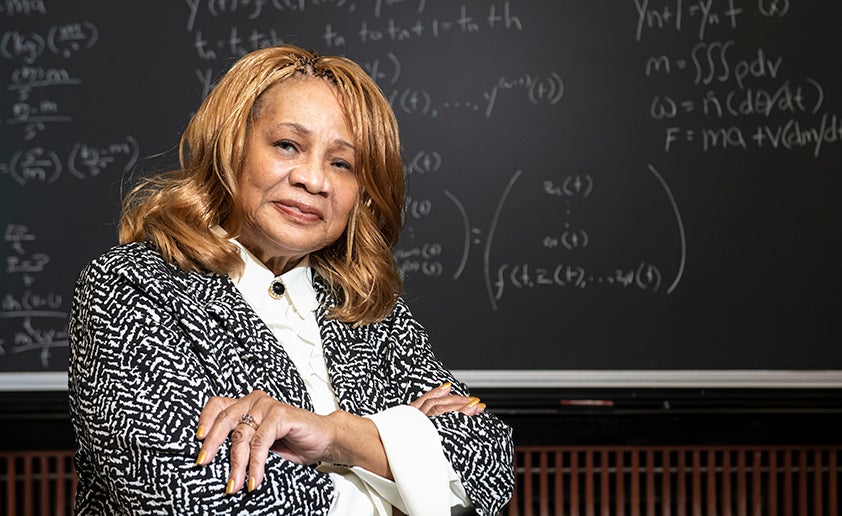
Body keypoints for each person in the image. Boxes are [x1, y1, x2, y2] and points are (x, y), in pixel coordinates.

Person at [68, 44, 514, 515]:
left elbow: (488, 466)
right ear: (231, 147)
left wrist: (333, 437)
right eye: (287, 145)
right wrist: (403, 464)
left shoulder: (365, 308)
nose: (314, 180)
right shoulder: (130, 287)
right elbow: (183, 499)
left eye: (342, 163)